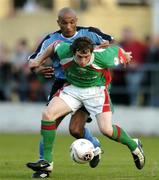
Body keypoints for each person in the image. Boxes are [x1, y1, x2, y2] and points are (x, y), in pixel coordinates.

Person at [28, 37, 145, 178]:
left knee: (106, 130)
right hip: (73, 89)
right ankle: (47, 162)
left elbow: (118, 51)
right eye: (79, 57)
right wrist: (38, 60)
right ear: (73, 52)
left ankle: (133, 145)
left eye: (86, 57)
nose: (83, 61)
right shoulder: (65, 50)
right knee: (48, 115)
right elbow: (54, 45)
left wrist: (125, 55)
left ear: (92, 52)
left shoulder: (103, 56)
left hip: (96, 91)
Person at [27, 7, 114, 178]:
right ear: (58, 23)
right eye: (64, 23)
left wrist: (104, 47)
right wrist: (38, 70)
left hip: (88, 85)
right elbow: (32, 61)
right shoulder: (51, 39)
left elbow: (110, 42)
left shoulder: (90, 33)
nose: (68, 26)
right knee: (50, 122)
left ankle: (94, 145)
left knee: (75, 129)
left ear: (76, 21)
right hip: (62, 84)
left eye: (72, 22)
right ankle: (44, 165)